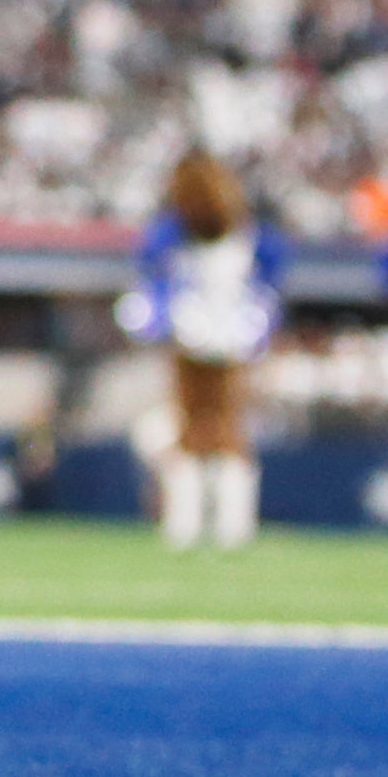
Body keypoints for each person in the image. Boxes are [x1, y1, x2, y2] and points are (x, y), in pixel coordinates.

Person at [126, 150, 283, 551]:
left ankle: (195, 522)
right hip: (217, 330)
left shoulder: (187, 231)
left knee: (199, 424)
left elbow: (150, 265)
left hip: (207, 329)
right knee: (222, 425)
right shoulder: (236, 230)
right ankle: (224, 523)